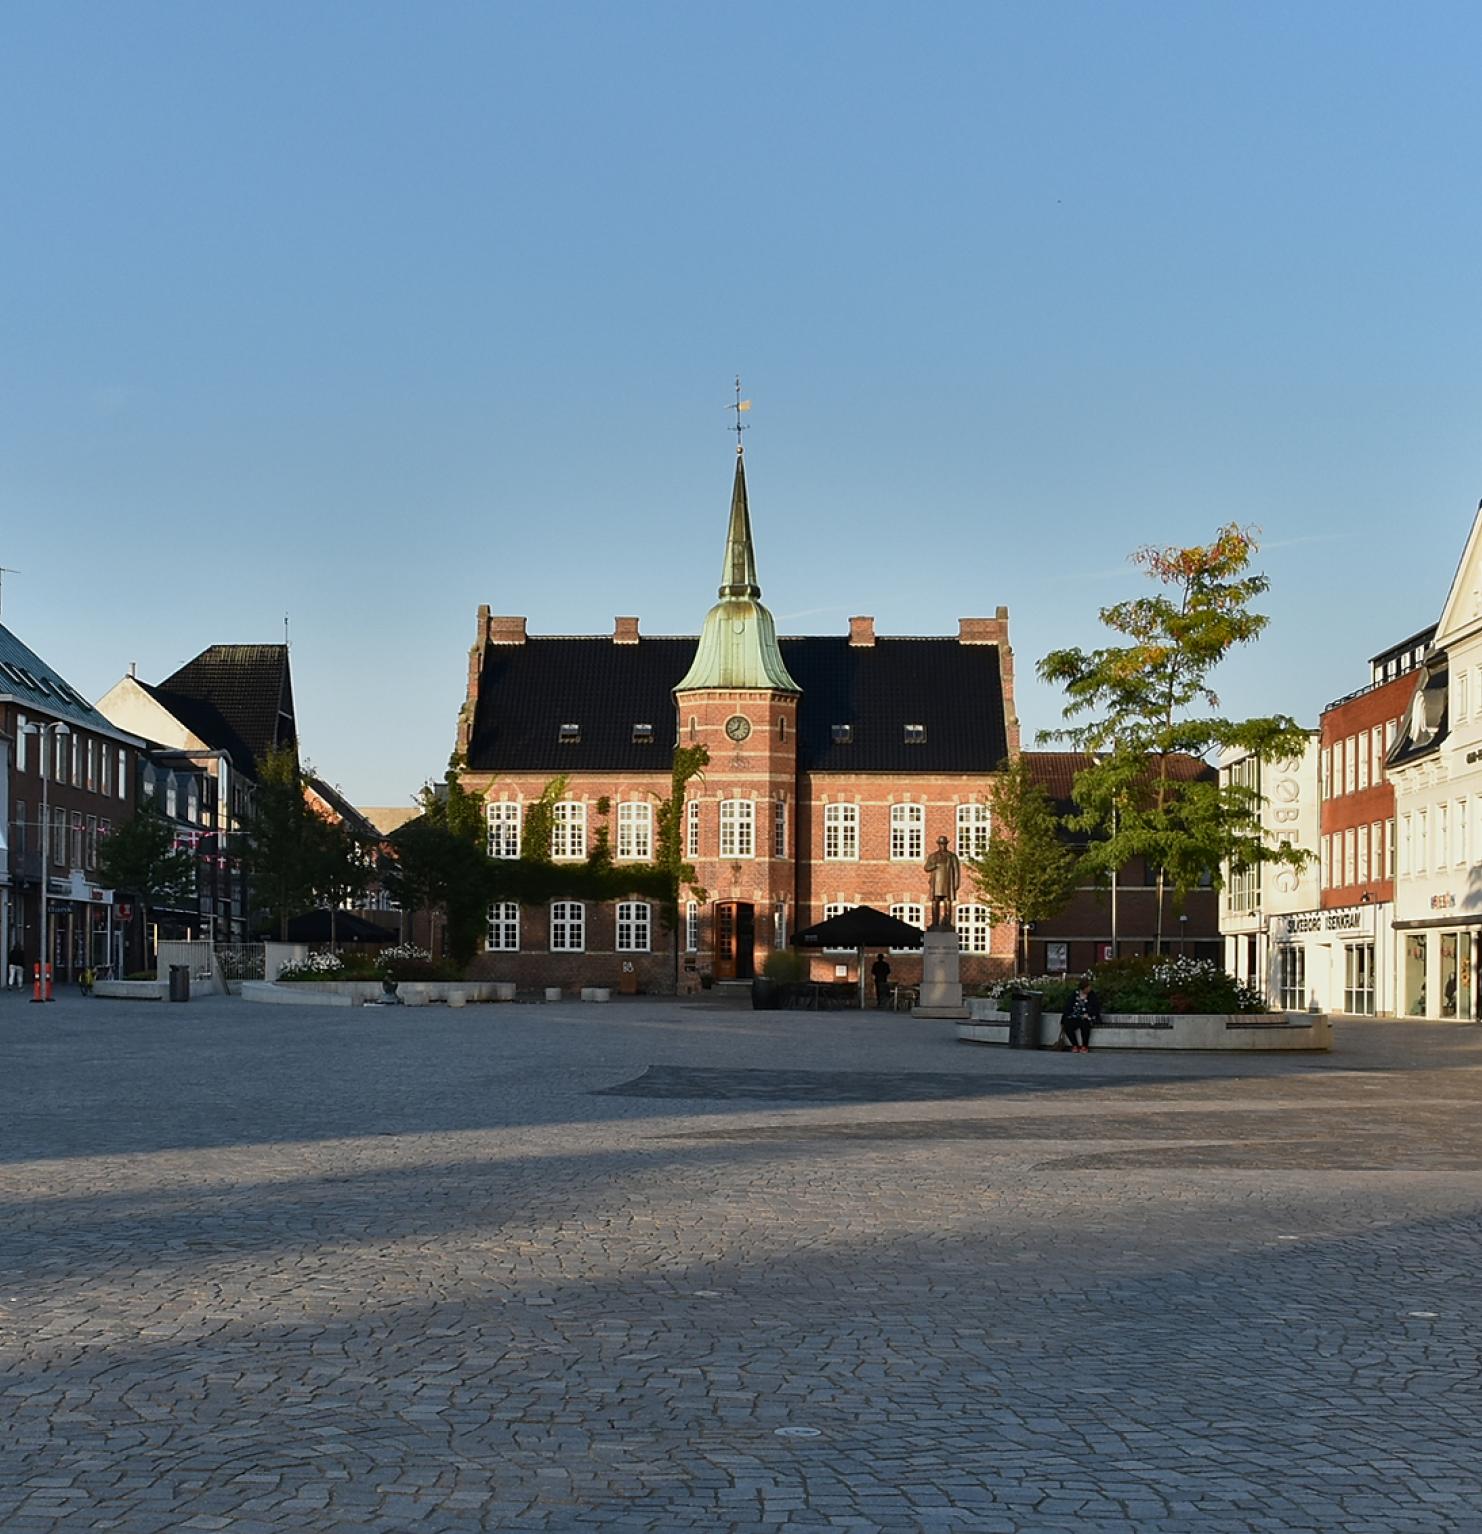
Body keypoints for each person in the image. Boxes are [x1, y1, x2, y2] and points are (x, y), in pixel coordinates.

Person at [1063, 976, 1101, 1053]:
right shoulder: (1075, 994)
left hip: (1087, 1017)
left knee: (1085, 1024)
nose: (1090, 988)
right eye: (1088, 987)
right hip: (1076, 1016)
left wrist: (1088, 1014)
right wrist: (1064, 1018)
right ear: (1084, 988)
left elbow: (1096, 1008)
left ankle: (1084, 1046)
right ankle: (1075, 1045)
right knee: (1068, 1024)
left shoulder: (1092, 995)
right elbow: (1068, 1007)